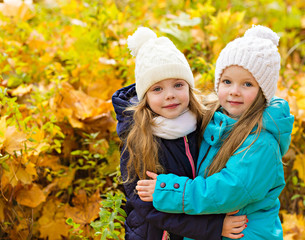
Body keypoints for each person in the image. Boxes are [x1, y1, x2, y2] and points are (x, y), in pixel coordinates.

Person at [136, 25, 295, 240]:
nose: (234, 91)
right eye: (227, 81)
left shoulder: (261, 142)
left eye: (247, 84)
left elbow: (226, 191)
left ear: (263, 92)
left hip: (244, 233)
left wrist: (168, 190)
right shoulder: (217, 118)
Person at [112, 27, 247, 240]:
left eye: (178, 85)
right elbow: (148, 207)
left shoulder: (203, 124)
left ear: (188, 87)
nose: (170, 95)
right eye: (157, 89)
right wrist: (213, 227)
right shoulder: (138, 139)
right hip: (155, 234)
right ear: (144, 96)